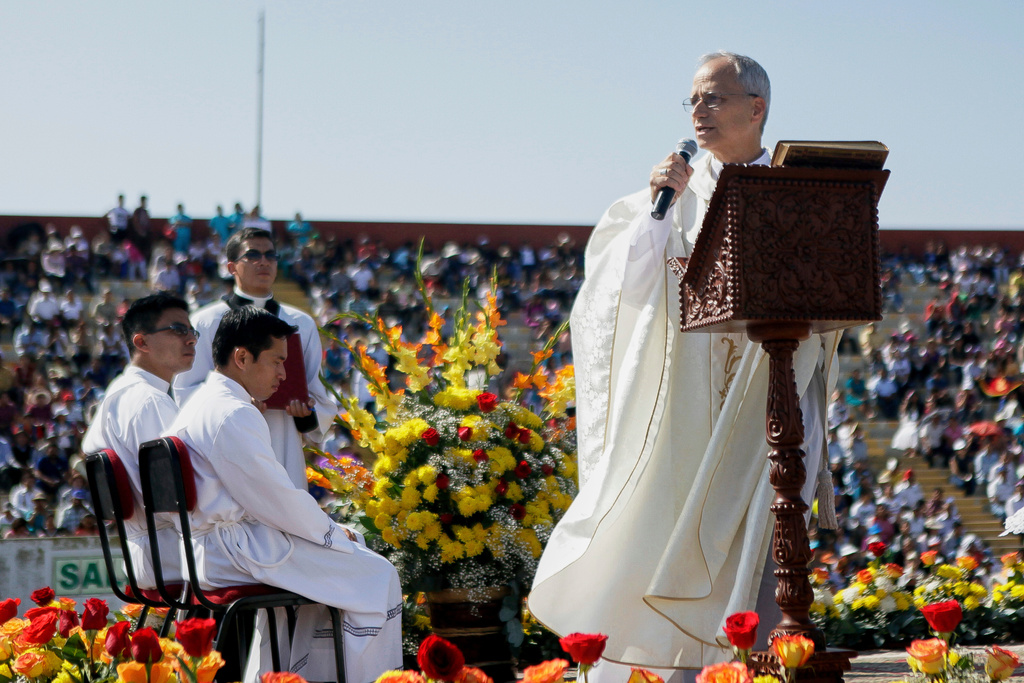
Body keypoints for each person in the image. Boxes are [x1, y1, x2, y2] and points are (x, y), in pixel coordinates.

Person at [529, 52, 839, 676]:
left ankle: (765, 660)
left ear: (757, 108)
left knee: (767, 533)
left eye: (713, 98)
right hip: (688, 407)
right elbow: (615, 290)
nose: (699, 111)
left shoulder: (799, 196)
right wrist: (654, 209)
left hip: (768, 396)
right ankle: (677, 666)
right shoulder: (669, 199)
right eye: (693, 100)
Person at [166, 307, 401, 683]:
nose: (283, 374)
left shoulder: (207, 402)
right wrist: (333, 534)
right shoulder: (230, 413)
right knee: (378, 574)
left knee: (332, 585)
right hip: (234, 551)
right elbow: (276, 499)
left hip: (215, 547)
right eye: (277, 361)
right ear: (241, 357)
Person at [173, 228, 337, 489]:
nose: (264, 262)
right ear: (231, 266)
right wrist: (236, 402)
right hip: (226, 445)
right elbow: (187, 390)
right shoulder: (205, 321)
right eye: (253, 255)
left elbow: (318, 393)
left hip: (282, 441)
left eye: (270, 255)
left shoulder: (300, 323)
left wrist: (305, 414)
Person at [81, 293, 198, 588]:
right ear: (141, 342)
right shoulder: (149, 401)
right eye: (178, 330)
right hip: (178, 556)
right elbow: (185, 495)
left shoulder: (120, 391)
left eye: (191, 331)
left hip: (147, 554)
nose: (191, 340)